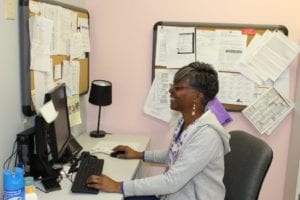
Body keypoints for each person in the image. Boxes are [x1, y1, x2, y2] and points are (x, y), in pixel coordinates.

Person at [87, 61, 231, 200]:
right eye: (172, 85)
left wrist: (119, 186)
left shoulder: (207, 136)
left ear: (197, 96)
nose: (170, 90)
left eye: (178, 88)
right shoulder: (186, 121)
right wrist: (139, 154)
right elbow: (173, 154)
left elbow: (171, 182)